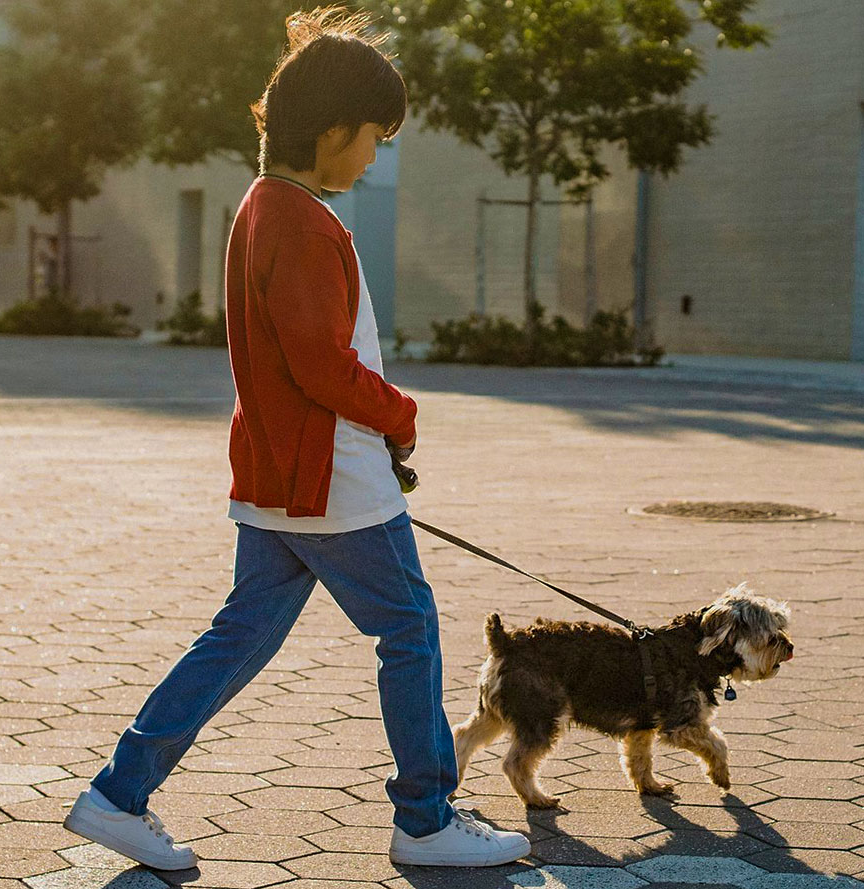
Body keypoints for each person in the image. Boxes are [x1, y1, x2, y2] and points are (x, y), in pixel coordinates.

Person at [61, 7, 531, 870]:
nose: (374, 157)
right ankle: (425, 819)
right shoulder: (303, 221)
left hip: (279, 478)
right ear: (334, 129)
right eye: (375, 139)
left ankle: (118, 793)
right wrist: (400, 413)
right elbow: (322, 365)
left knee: (238, 637)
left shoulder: (262, 205)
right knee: (410, 627)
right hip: (335, 479)